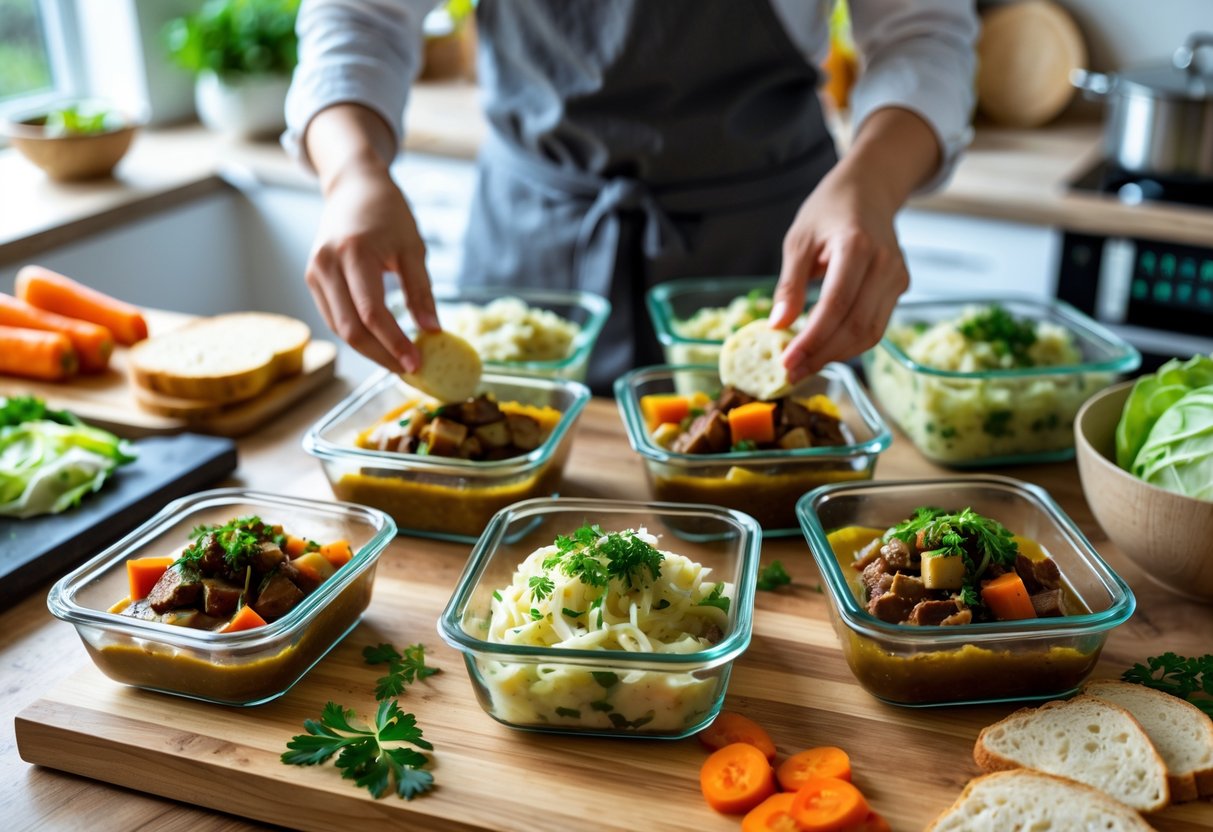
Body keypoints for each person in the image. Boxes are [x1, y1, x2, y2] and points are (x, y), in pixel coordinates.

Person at [284, 0, 977, 393]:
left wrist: (873, 183)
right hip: (532, 242)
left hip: (770, 245)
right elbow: (360, 18)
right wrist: (352, 174)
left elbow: (924, 31)